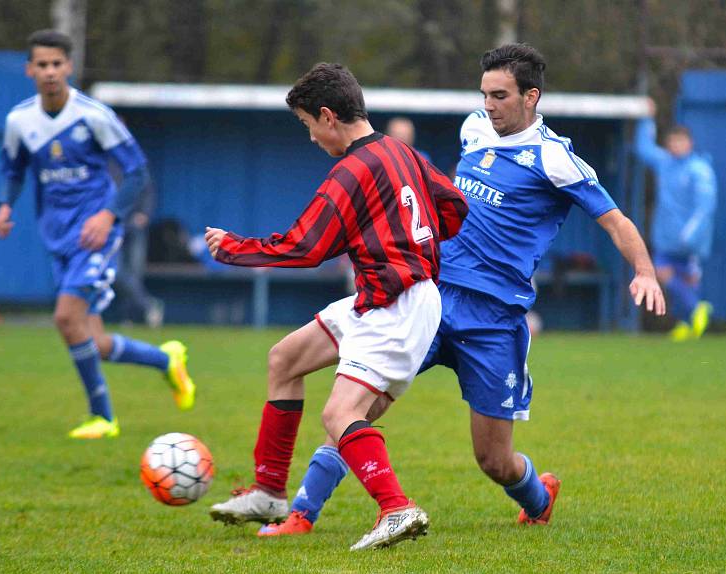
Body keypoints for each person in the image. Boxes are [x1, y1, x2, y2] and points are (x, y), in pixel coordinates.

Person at [257, 43, 666, 538]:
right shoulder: (474, 130)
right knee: (355, 407)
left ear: (531, 97)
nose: (488, 105)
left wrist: (643, 270)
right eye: (484, 94)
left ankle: (539, 496)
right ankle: (303, 513)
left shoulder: (554, 158)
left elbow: (615, 220)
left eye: (500, 95)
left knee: (493, 460)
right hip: (431, 298)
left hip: (494, 320)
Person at [203, 62, 468, 551]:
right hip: (387, 295)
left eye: (307, 125)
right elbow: (453, 204)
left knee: (340, 412)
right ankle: (268, 492)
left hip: (397, 302)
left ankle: (397, 509)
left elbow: (306, 246)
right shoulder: (400, 151)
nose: (310, 138)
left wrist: (234, 249)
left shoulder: (352, 170)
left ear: (327, 116)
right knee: (285, 359)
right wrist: (415, 239)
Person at [0, 30, 196, 439]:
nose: (49, 72)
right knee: (93, 339)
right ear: (29, 69)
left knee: (66, 319)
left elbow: (137, 171)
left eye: (56, 64)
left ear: (68, 67)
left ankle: (103, 416)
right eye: (42, 65)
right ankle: (165, 360)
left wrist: (108, 215)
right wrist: (4, 204)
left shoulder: (93, 115)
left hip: (96, 235)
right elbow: (14, 169)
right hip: (57, 236)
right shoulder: (19, 120)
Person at [634, 100, 717, 341]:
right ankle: (692, 315)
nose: (676, 146)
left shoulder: (699, 170)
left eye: (681, 141)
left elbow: (705, 206)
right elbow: (643, 148)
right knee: (665, 274)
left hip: (691, 239)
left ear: (689, 143)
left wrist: (691, 234)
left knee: (688, 280)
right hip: (666, 236)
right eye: (672, 141)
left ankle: (692, 317)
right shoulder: (665, 163)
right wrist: (646, 119)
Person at [111, 168, 165, 327]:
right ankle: (148, 305)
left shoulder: (136, 164)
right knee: (117, 272)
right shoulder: (107, 165)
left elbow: (148, 192)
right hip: (114, 227)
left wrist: (144, 214)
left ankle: (130, 317)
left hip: (135, 228)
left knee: (134, 272)